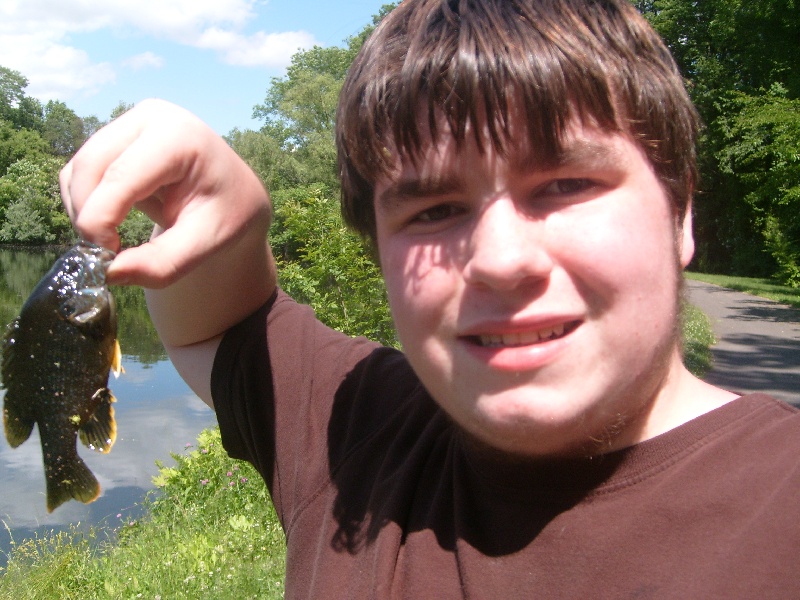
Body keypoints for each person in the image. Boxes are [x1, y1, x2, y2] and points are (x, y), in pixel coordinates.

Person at [62, 0, 800, 597]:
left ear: (682, 215)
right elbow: (216, 329)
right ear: (379, 249)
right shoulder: (359, 433)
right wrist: (230, 212)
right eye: (434, 210)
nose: (502, 260)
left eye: (567, 185)